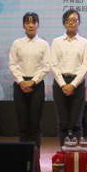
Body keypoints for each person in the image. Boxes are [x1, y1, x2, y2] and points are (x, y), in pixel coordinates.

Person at [9, 12, 51, 148]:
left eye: (34, 22)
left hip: (36, 85)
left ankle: (35, 154)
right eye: (27, 23)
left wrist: (33, 82)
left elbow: (47, 66)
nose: (31, 25)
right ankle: (23, 153)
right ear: (23, 25)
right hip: (20, 85)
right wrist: (21, 82)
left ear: (38, 24)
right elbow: (12, 65)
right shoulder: (17, 43)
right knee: (22, 122)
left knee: (35, 123)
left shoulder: (43, 44)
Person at [50, 9, 87, 147]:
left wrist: (73, 85)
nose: (71, 23)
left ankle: (76, 155)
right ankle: (64, 153)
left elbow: (85, 66)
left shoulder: (84, 42)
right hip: (59, 84)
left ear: (79, 22)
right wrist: (63, 85)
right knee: (63, 123)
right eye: (68, 20)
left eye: (74, 20)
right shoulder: (57, 42)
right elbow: (53, 64)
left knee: (76, 123)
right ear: (64, 22)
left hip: (78, 84)